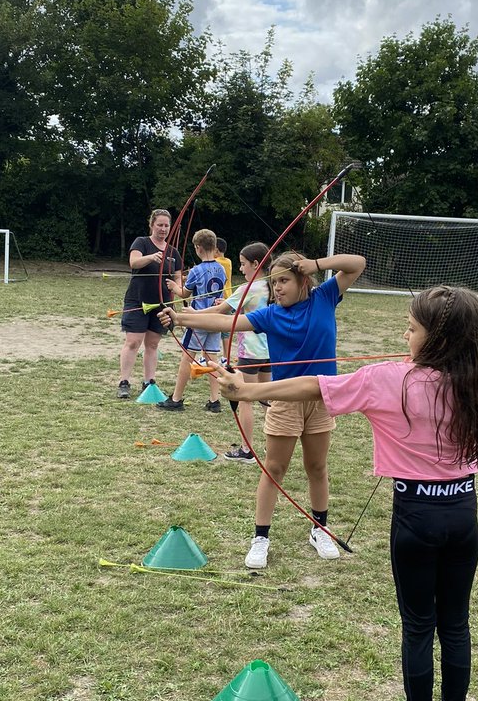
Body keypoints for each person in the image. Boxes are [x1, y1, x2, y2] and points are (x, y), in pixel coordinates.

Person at [212, 286, 478, 701]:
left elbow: (315, 385)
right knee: (454, 623)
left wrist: (248, 390)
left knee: (418, 626)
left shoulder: (390, 379)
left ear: (436, 338)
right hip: (462, 516)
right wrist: (469, 354)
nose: (403, 335)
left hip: (415, 518)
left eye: (411, 329)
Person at [162, 251, 366, 568]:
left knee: (317, 467)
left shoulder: (325, 297)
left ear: (303, 280)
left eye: (284, 280)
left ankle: (320, 528)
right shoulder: (271, 315)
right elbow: (227, 321)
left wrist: (317, 265)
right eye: (274, 284)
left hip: (323, 398)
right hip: (285, 400)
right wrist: (181, 317)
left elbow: (357, 264)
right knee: (275, 469)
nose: (278, 289)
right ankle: (261, 537)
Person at [177, 241, 272, 461]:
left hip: (251, 353)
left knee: (246, 399)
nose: (240, 269)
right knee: (267, 397)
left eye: (243, 264)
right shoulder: (272, 285)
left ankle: (247, 451)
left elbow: (220, 311)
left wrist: (193, 313)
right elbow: (231, 306)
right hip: (270, 351)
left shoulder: (248, 288)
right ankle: (271, 446)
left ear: (256, 264)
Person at [156, 229, 226, 413]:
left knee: (187, 358)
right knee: (212, 359)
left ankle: (176, 398)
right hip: (215, 319)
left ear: (198, 248)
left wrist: (174, 286)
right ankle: (214, 400)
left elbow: (184, 293)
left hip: (198, 320)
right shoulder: (221, 268)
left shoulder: (197, 270)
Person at [117, 208, 183, 400]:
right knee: (133, 342)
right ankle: (124, 382)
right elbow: (134, 262)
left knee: (152, 344)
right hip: (138, 300)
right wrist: (151, 258)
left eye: (166, 225)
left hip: (162, 305)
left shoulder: (173, 252)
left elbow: (178, 277)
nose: (163, 229)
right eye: (159, 225)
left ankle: (149, 382)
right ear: (152, 225)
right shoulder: (142, 243)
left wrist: (178, 287)